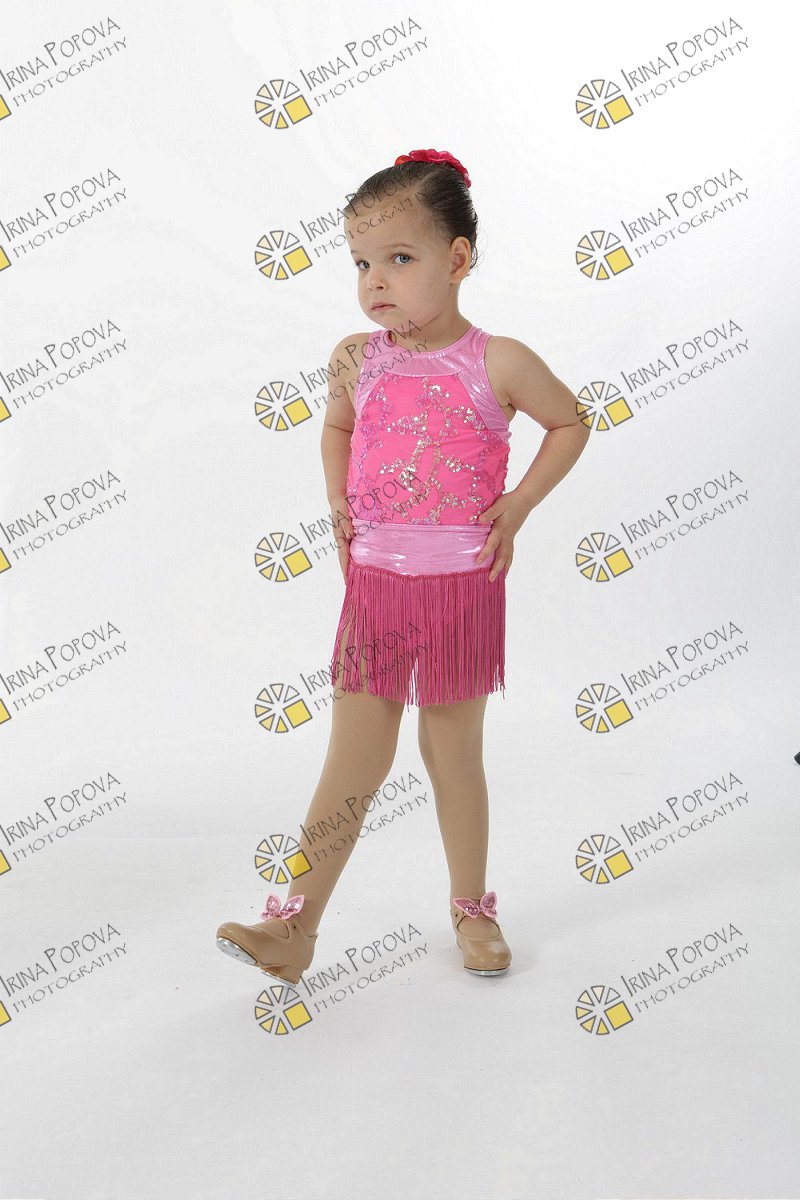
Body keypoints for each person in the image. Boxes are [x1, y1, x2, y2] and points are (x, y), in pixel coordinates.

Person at [216, 147, 590, 986]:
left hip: (462, 584)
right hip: (377, 585)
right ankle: (294, 926)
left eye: (399, 258)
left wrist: (519, 504)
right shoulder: (356, 357)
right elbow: (338, 428)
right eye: (360, 263)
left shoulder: (499, 360)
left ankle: (472, 909)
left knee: (452, 753)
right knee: (353, 757)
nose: (375, 281)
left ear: (457, 260)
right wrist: (337, 502)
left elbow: (569, 423)